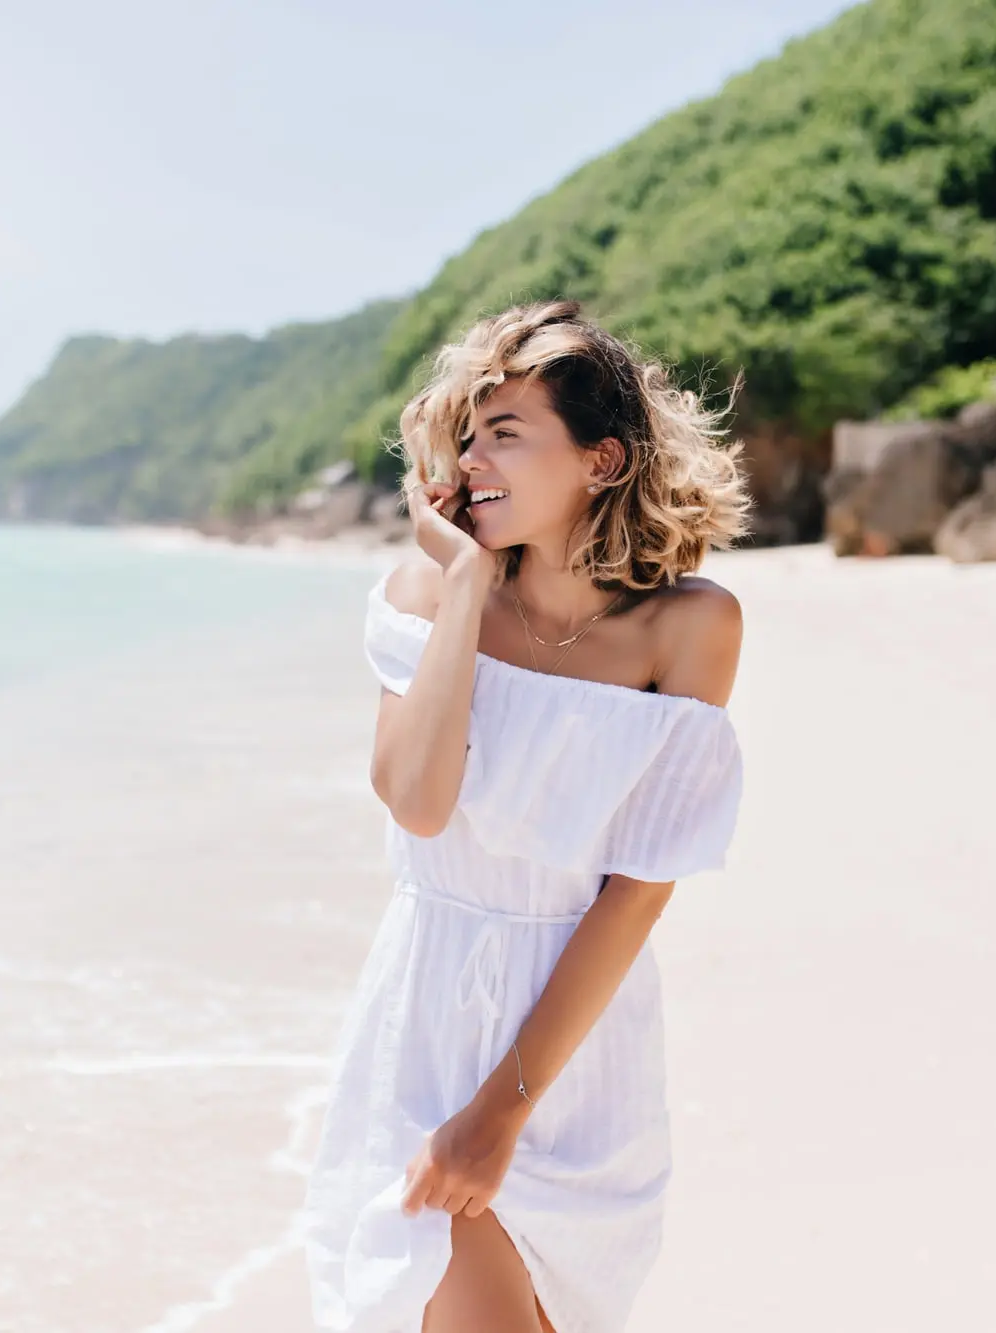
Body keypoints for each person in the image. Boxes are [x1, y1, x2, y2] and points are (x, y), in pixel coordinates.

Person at [299, 299, 753, 1332]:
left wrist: (503, 1108)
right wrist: (464, 584)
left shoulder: (687, 628)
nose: (474, 457)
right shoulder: (427, 587)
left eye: (505, 432)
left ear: (599, 461)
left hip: (575, 1047)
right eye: (467, 434)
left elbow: (635, 895)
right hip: (421, 1023)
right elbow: (418, 805)